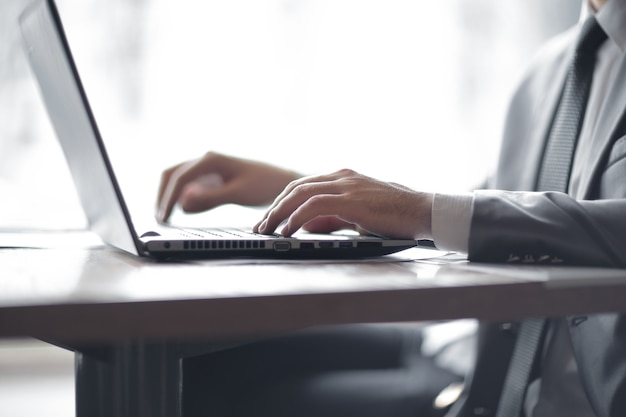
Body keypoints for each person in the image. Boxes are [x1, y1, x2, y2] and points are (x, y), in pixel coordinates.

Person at [156, 0, 626, 416]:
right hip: (459, 343)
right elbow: (489, 212)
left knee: (249, 401)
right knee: (200, 361)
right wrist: (296, 187)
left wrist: (419, 210)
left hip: (520, 389)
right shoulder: (546, 69)